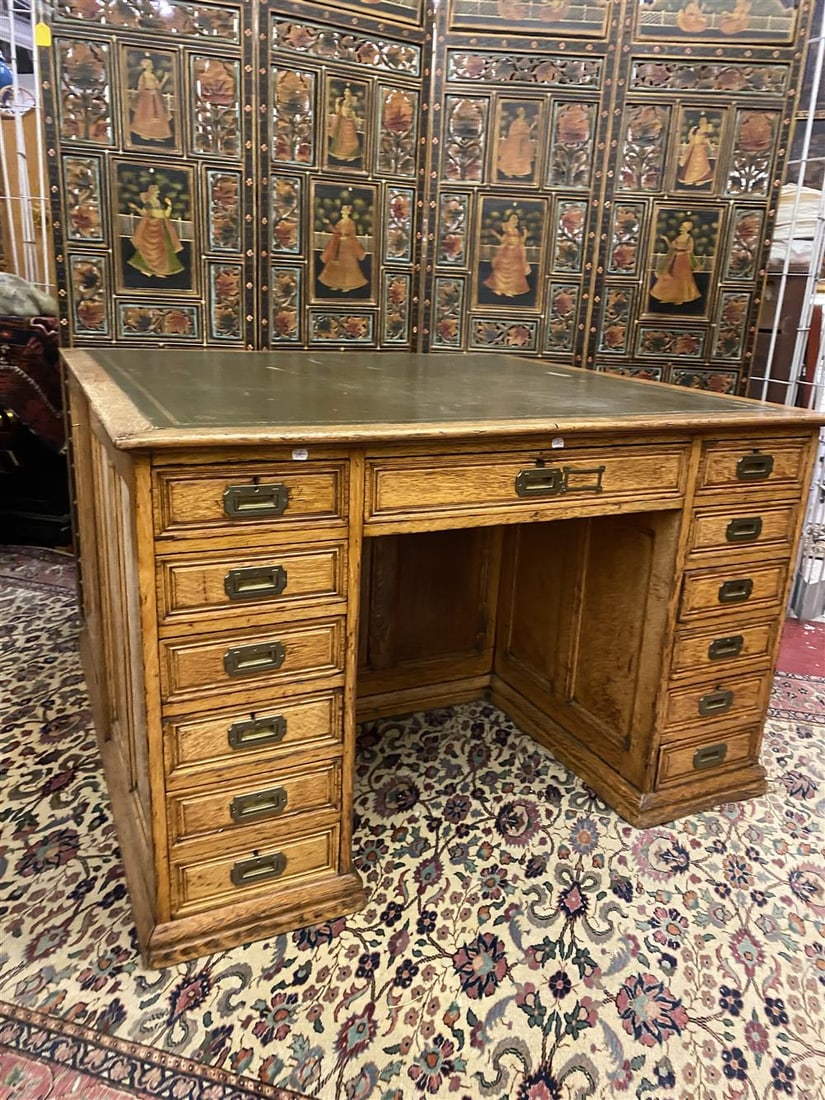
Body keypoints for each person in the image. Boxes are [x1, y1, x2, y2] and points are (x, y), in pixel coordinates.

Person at [127, 183, 184, 277]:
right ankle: (148, 269)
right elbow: (144, 213)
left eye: (157, 191)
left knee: (164, 249)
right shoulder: (149, 203)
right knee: (148, 249)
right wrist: (136, 208)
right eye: (156, 191)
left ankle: (160, 271)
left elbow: (165, 214)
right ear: (152, 192)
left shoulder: (158, 203)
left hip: (161, 227)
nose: (158, 192)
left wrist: (169, 206)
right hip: (150, 228)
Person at [650, 220, 701, 306]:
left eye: (683, 227)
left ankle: (680, 298)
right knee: (669, 276)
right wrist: (666, 239)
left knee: (681, 278)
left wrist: (682, 250)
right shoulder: (678, 237)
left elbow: (690, 250)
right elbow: (672, 247)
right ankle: (668, 297)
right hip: (675, 258)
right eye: (681, 227)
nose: (681, 229)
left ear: (687, 229)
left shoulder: (689, 238)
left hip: (683, 260)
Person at [319, 204, 368, 291]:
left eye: (344, 210)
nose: (342, 212)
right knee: (336, 265)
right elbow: (336, 232)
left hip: (348, 247)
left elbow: (352, 234)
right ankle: (336, 283)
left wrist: (348, 239)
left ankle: (347, 285)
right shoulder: (340, 222)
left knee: (348, 266)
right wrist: (329, 225)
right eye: (342, 210)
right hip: (339, 245)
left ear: (348, 212)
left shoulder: (350, 222)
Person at [483, 212, 530, 297]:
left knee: (515, 272)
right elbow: (503, 240)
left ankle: (510, 290)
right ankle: (500, 288)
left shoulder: (519, 230)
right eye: (513, 218)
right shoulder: (506, 227)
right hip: (506, 252)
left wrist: (525, 234)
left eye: (516, 218)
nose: (515, 220)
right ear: (509, 219)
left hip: (516, 253)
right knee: (502, 270)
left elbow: (521, 241)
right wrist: (495, 234)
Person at [130, 57, 173, 142]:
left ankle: (157, 135)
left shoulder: (153, 76)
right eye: (150, 64)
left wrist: (164, 79)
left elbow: (158, 87)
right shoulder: (144, 75)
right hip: (146, 98)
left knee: (158, 116)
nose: (151, 66)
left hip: (155, 96)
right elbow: (140, 86)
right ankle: (145, 134)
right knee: (146, 116)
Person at [496, 107, 535, 179]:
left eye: (523, 111)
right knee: (512, 157)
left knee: (522, 157)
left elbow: (528, 132)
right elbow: (512, 132)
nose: (522, 113)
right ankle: (509, 171)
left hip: (523, 142)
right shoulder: (515, 122)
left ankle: (519, 172)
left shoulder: (525, 122)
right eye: (520, 111)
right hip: (514, 142)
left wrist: (532, 126)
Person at [678, 115, 714, 186]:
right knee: (692, 164)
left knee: (701, 165)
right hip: (695, 148)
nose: (702, 122)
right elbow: (691, 136)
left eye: (704, 121)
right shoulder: (695, 129)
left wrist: (710, 146)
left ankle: (701, 178)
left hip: (701, 149)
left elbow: (707, 140)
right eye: (701, 121)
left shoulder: (706, 130)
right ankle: (689, 178)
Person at [328, 86, 361, 162]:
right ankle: (342, 154)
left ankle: (352, 154)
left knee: (350, 138)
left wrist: (347, 112)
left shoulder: (352, 100)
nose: (346, 93)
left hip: (349, 121)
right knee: (341, 138)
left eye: (348, 91)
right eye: (345, 91)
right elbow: (337, 110)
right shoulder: (342, 101)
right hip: (342, 121)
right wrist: (337, 103)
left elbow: (352, 111)